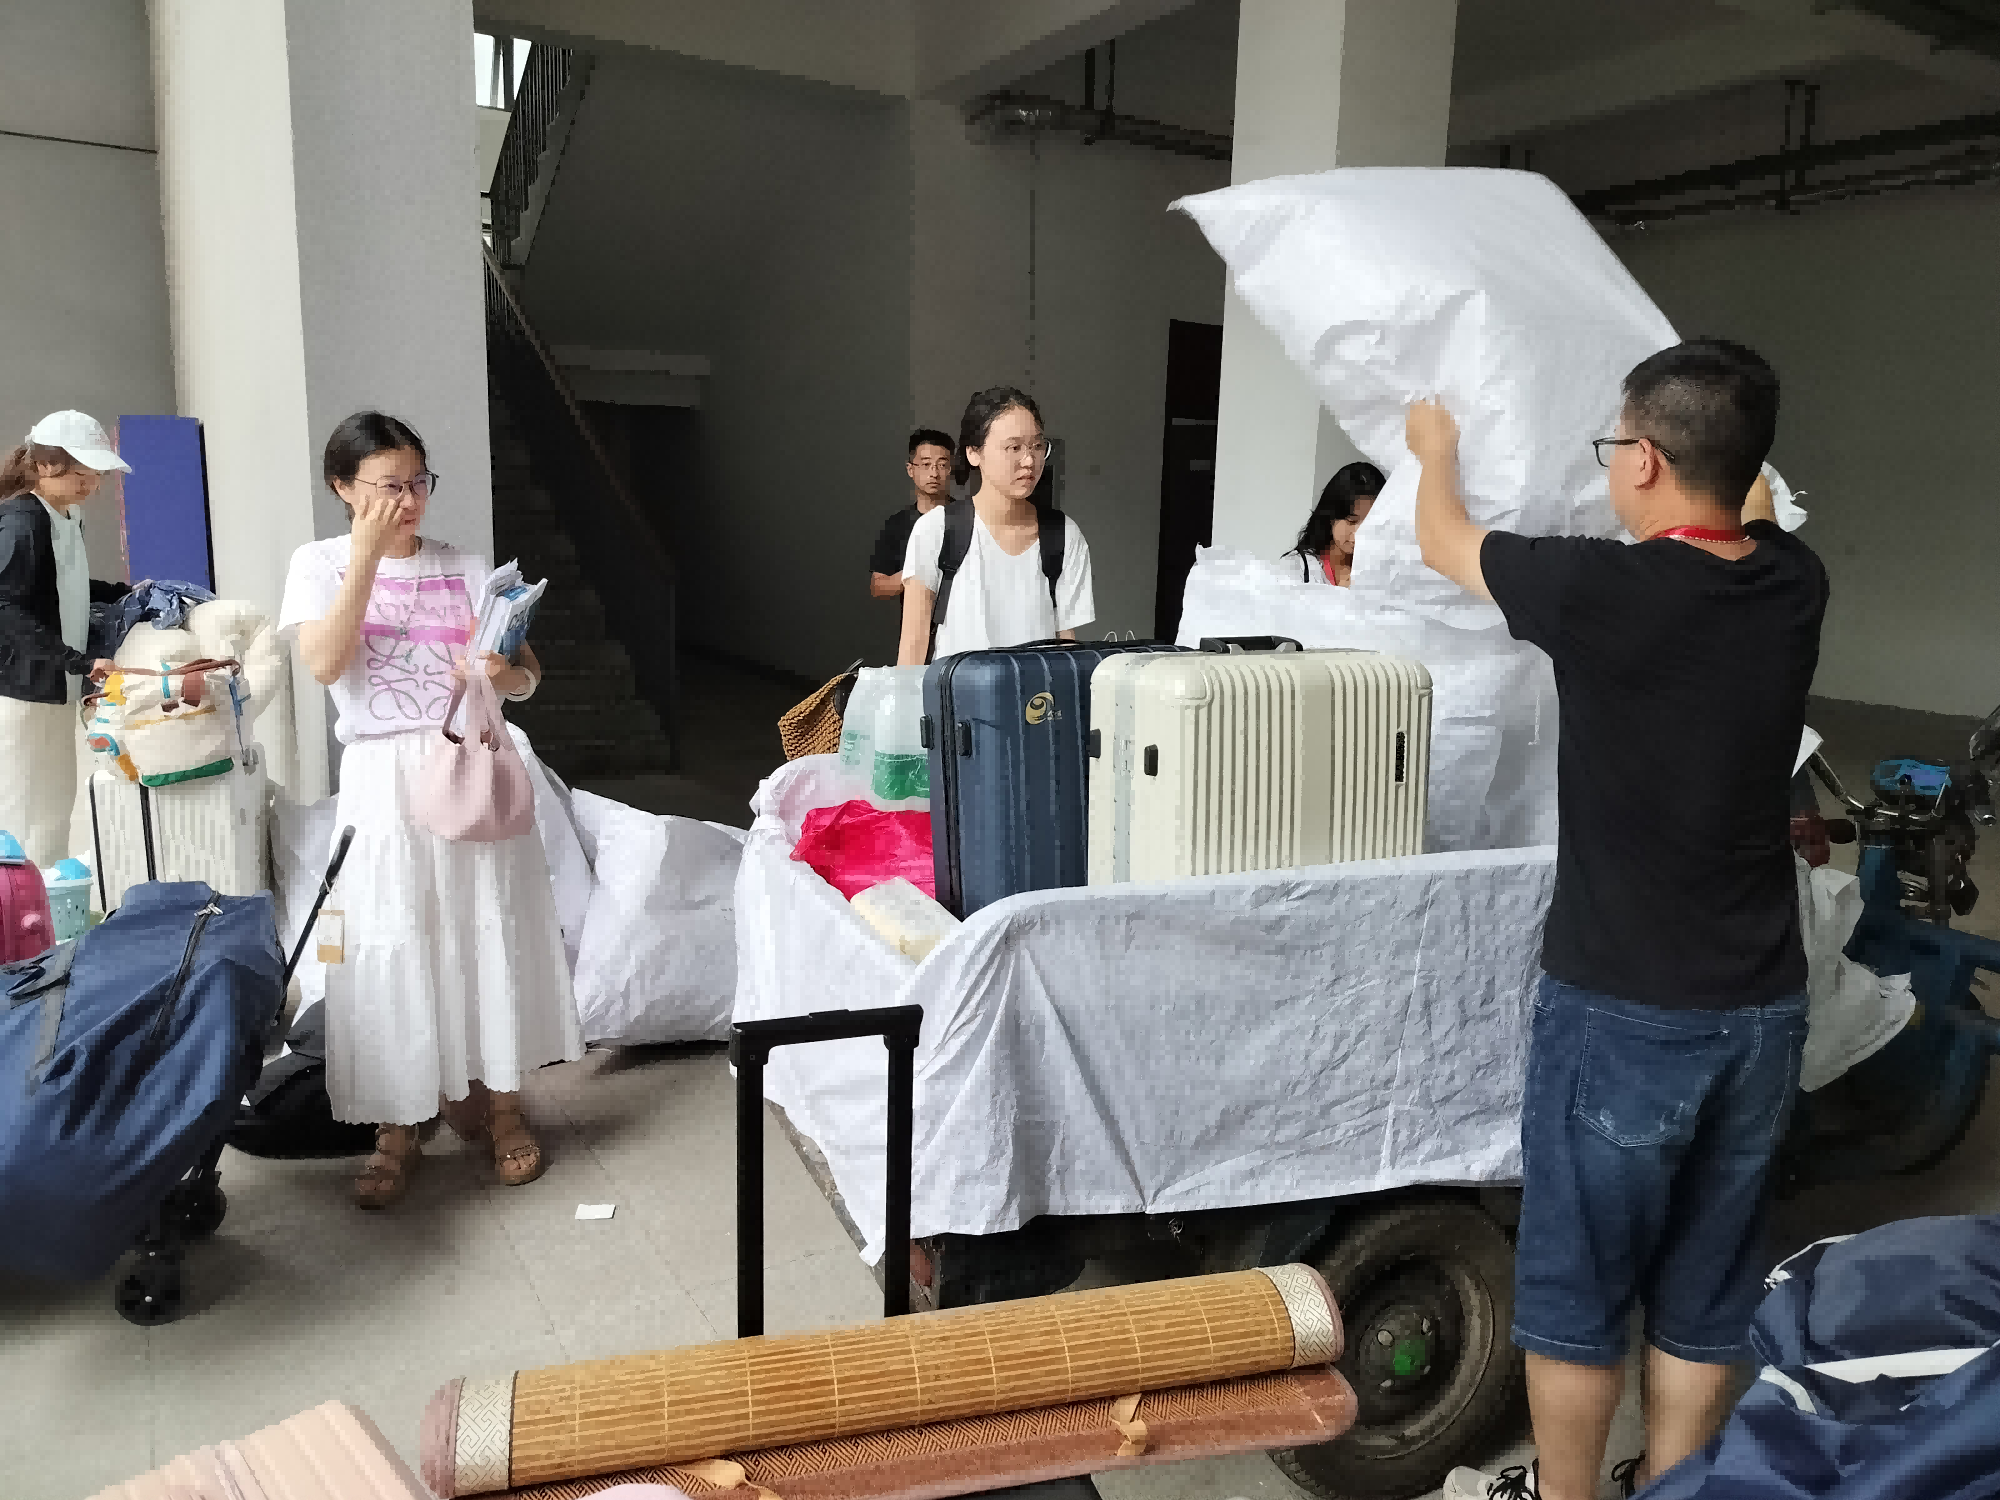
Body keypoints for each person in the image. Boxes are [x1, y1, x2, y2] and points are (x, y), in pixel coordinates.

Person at [1412, 341, 1828, 1500]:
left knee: (1577, 1292)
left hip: (1621, 1011)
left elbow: (1442, 540)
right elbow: (1752, 504)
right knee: (1705, 1284)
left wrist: (1434, 450)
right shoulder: (1791, 585)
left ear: (1641, 460)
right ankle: (1673, 1485)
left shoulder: (1603, 589)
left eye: (1613, 446)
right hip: (1760, 1009)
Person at [279, 412, 583, 1209]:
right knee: (393, 935)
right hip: (383, 778)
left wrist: (498, 672)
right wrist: (366, 558)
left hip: (470, 763)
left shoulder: (466, 564)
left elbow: (527, 678)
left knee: (488, 924)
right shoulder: (317, 565)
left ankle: (504, 1105)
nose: (409, 501)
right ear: (344, 488)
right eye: (390, 487)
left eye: (419, 482)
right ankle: (397, 1125)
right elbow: (324, 663)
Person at [0, 412, 127, 867]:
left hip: (54, 685)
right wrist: (77, 660)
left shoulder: (65, 516)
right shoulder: (22, 522)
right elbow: (6, 607)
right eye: (82, 473)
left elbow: (60, 584)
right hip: (23, 692)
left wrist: (124, 592)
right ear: (46, 465)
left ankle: (46, 903)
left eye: (97, 474)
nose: (92, 484)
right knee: (22, 818)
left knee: (53, 813)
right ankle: (18, 906)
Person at [897, 388, 1094, 665]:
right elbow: (912, 649)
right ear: (973, 453)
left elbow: (1067, 645)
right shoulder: (936, 530)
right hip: (957, 692)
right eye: (1014, 447)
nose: (1029, 460)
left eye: (1037, 446)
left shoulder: (1063, 534)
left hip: (1037, 692)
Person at [870, 429, 955, 603]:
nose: (934, 473)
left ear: (950, 469)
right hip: (915, 618)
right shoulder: (897, 524)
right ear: (910, 469)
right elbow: (877, 587)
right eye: (926, 464)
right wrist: (915, 571)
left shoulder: (969, 517)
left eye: (941, 465)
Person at [1288, 461, 1384, 586]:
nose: (1358, 535)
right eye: (1351, 521)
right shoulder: (1297, 568)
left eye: (1369, 525)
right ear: (1331, 515)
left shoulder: (1382, 569)